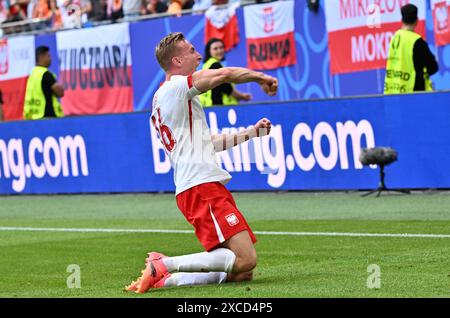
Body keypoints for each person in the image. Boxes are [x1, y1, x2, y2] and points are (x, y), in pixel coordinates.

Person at [125, 32, 278, 293]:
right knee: (246, 259)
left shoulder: (165, 99)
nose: (199, 55)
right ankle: (164, 264)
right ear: (177, 60)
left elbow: (208, 142)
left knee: (242, 272)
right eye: (192, 50)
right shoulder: (175, 88)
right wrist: (260, 77)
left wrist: (251, 133)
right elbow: (223, 74)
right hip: (201, 187)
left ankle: (166, 279)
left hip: (196, 187)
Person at [384, 4, 439, 94]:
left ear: (402, 20)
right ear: (416, 21)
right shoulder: (417, 41)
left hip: (395, 92)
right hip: (414, 93)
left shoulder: (395, 38)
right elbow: (433, 67)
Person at [199, 38, 252, 107]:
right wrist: (243, 96)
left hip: (209, 107)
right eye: (215, 48)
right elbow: (227, 89)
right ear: (209, 51)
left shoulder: (207, 65)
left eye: (221, 47)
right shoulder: (215, 65)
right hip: (219, 107)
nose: (219, 50)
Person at [23, 46, 64, 120]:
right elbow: (60, 93)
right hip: (48, 115)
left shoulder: (33, 74)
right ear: (41, 56)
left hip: (34, 116)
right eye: (48, 56)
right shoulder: (46, 74)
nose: (50, 59)